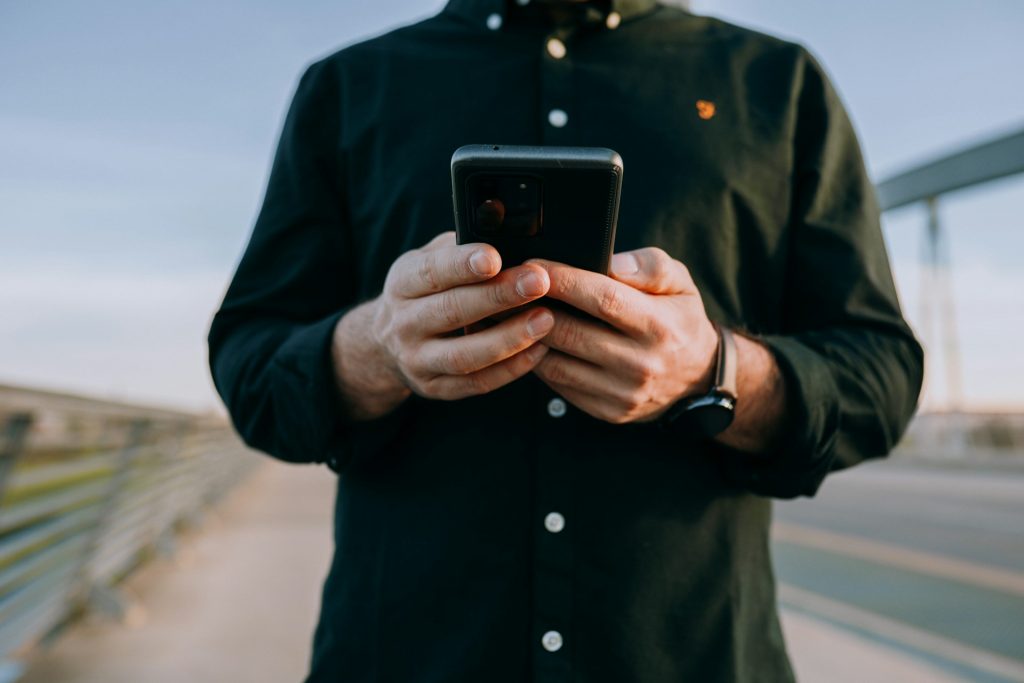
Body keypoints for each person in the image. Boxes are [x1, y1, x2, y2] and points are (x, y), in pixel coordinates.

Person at [208, 0, 924, 680]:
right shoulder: (346, 88)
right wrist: (376, 347)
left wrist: (713, 370)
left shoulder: (778, 84)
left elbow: (882, 375)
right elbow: (248, 361)